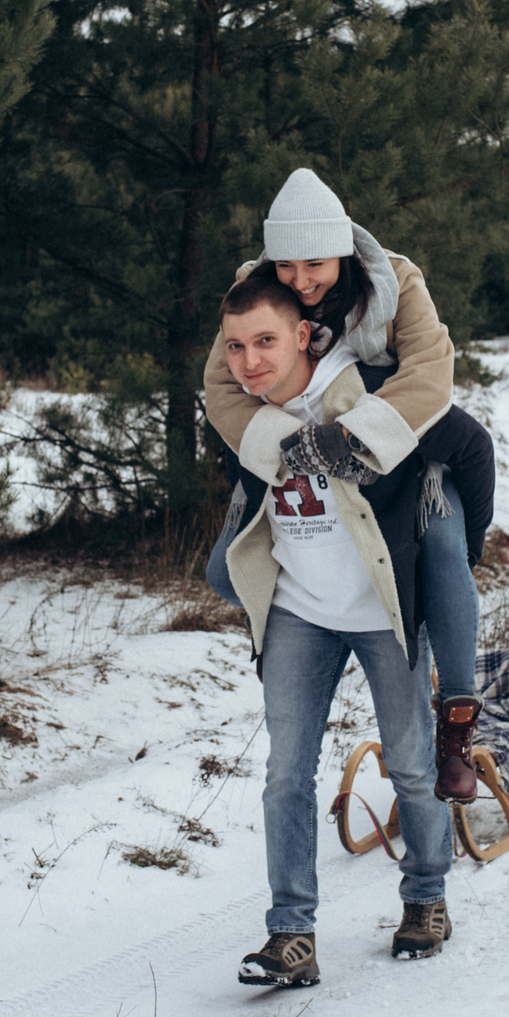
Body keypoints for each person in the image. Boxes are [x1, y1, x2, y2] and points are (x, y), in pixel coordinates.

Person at [213, 268, 494, 987]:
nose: (250, 361)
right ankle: (291, 933)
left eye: (266, 341)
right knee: (285, 775)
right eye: (236, 346)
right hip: (299, 614)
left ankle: (426, 896)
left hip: (381, 615)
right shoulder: (242, 413)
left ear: (306, 333)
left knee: (408, 761)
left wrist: (463, 546)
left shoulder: (369, 391)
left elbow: (467, 441)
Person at [202, 167, 486, 802]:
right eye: (287, 265)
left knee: (443, 555)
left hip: (405, 449)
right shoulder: (255, 291)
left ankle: (457, 727)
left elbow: (432, 370)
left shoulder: (395, 281)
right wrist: (288, 447)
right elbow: (222, 385)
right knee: (224, 572)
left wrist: (354, 437)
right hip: (298, 457)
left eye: (315, 263)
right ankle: (289, 642)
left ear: (342, 249)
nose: (300, 281)